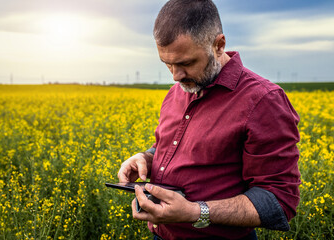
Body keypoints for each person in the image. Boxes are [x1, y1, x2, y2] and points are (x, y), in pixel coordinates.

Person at [117, 0, 301, 239]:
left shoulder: (263, 100)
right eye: (167, 64)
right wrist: (146, 158)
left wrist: (195, 212)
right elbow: (176, 146)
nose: (175, 76)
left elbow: (278, 200)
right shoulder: (178, 90)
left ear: (219, 45)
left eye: (186, 63)